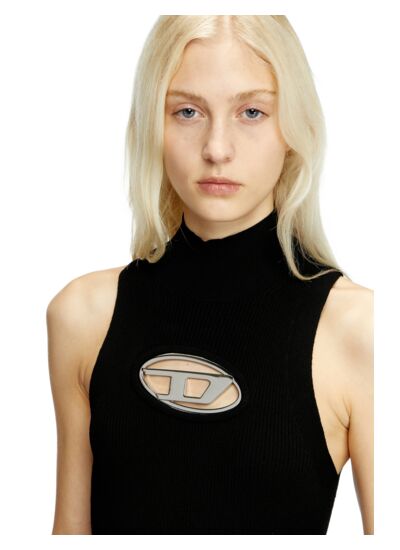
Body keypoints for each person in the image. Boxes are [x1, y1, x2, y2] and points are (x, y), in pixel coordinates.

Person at [47, 15, 373, 535]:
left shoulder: (360, 331)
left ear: (294, 128)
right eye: (188, 111)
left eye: (251, 111)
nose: (217, 148)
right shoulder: (83, 316)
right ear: (153, 125)